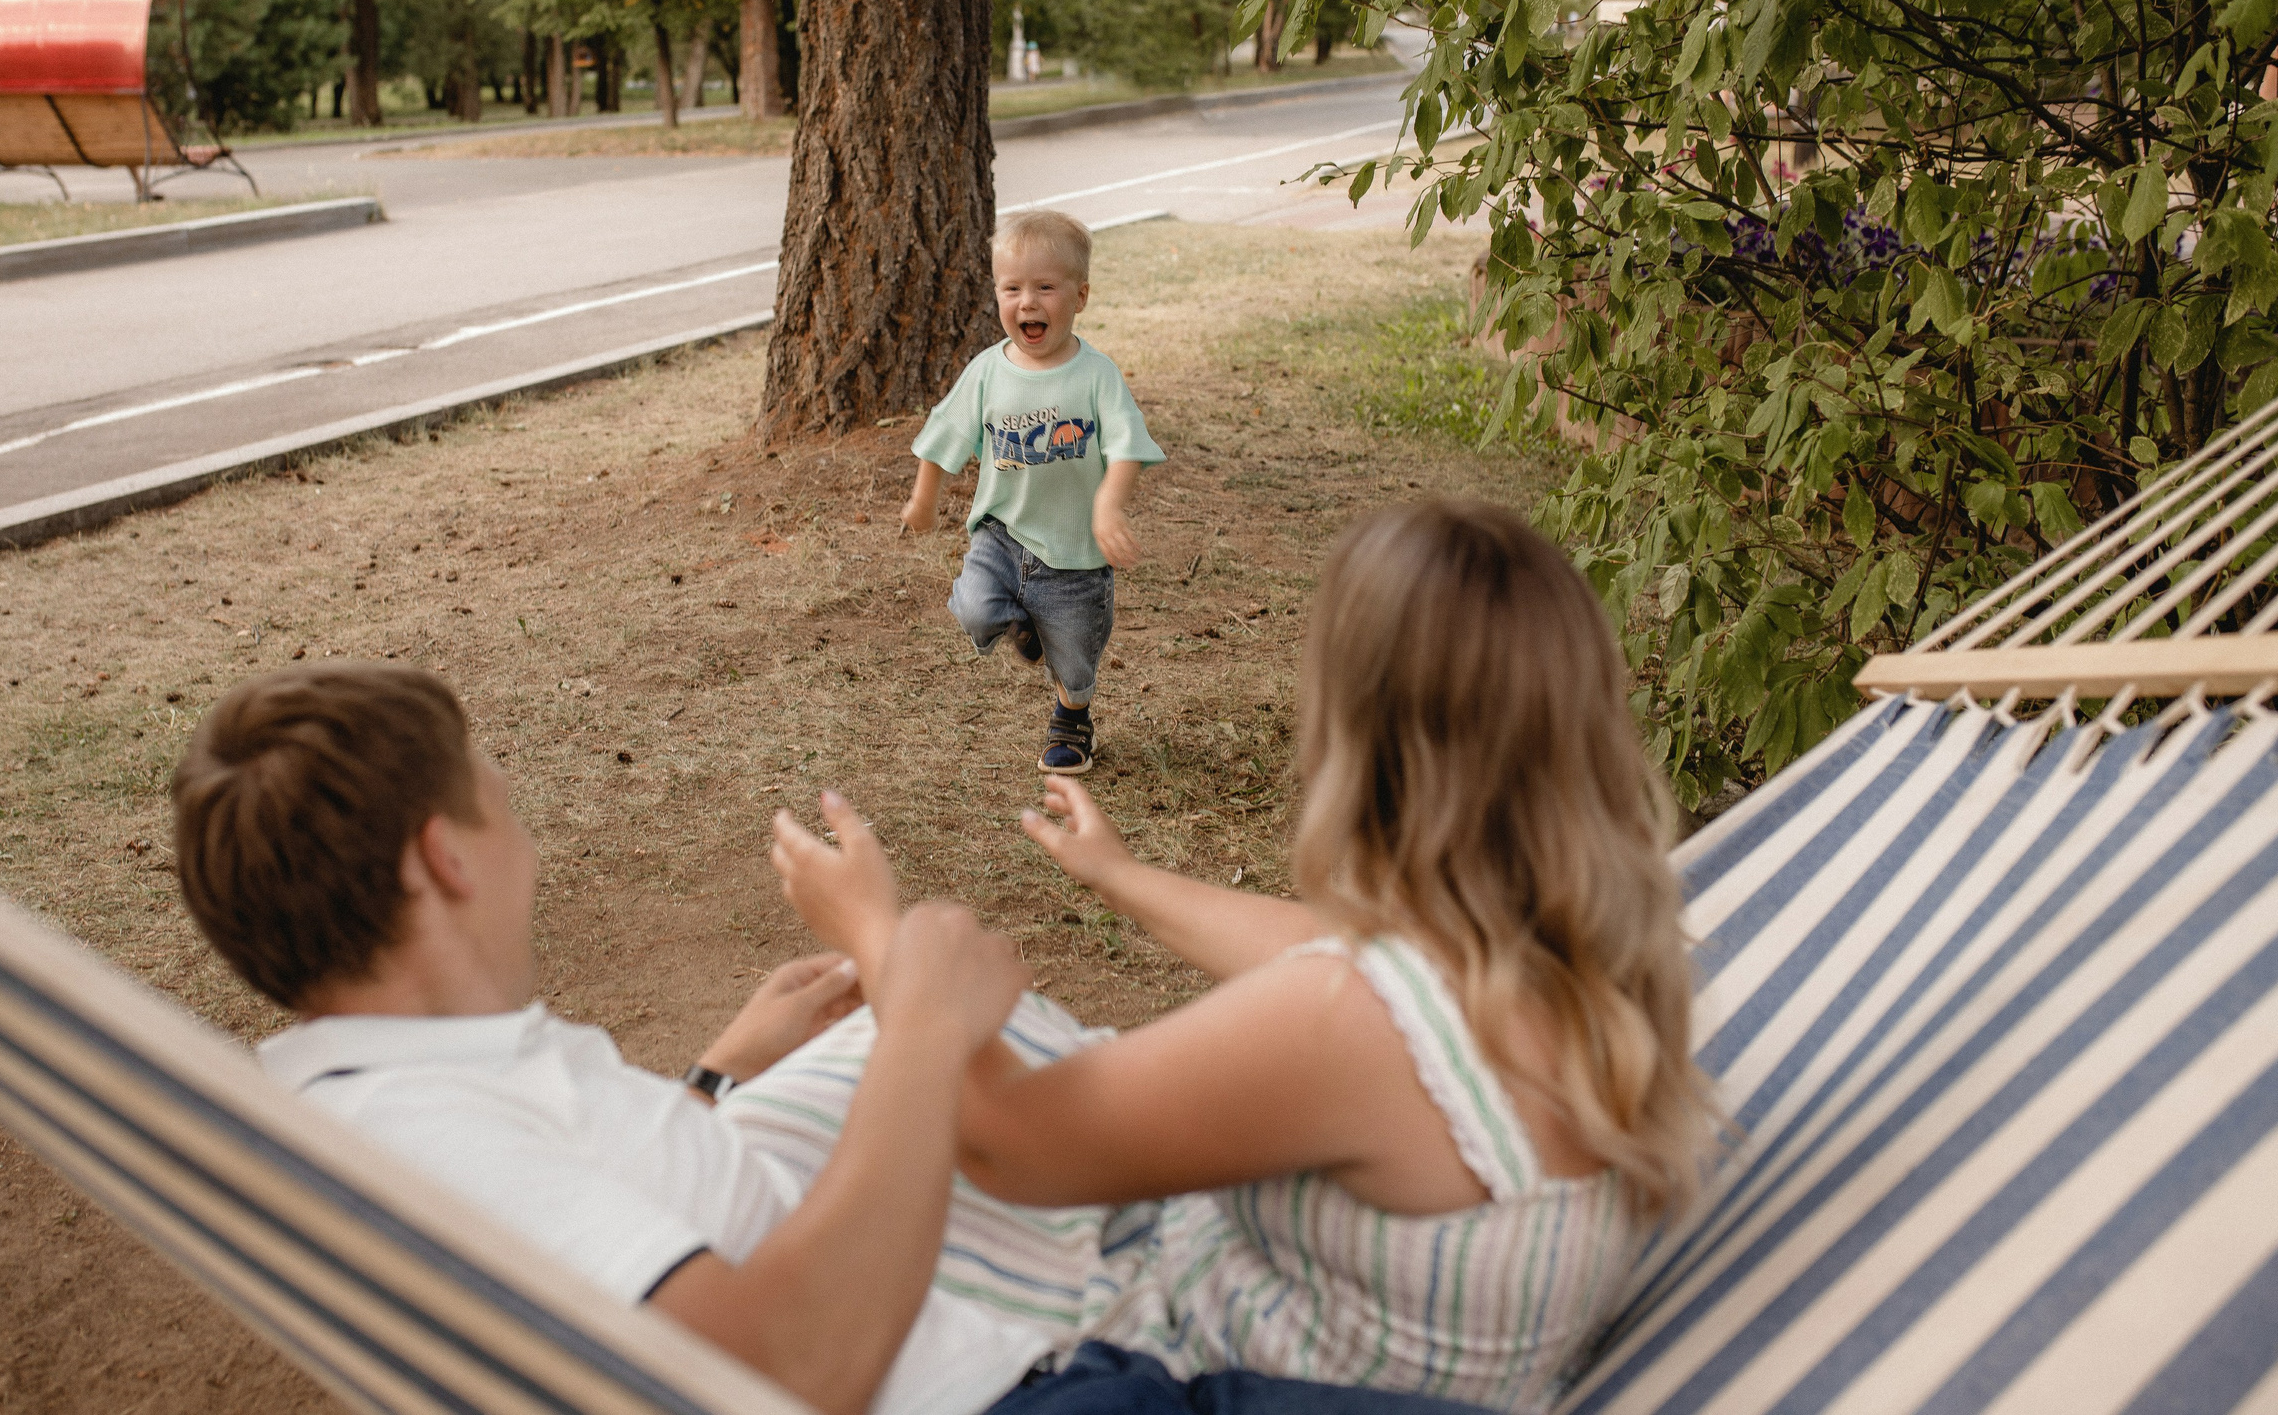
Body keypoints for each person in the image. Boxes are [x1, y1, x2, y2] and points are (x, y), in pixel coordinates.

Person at [769, 501, 1718, 1412]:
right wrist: (1121, 876)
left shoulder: (1355, 1026)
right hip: (1352, 1345)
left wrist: (876, 936)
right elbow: (1337, 955)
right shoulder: (1598, 959)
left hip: (1160, 1360)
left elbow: (1002, 1143)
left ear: (1362, 730)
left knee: (816, 1134)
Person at [168, 662, 1052, 1415]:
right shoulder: (429, 1146)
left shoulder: (375, 1096)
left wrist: (720, 1070)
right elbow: (783, 1373)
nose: (530, 849)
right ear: (446, 858)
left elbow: (581, 1218)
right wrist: (924, 1031)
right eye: (503, 809)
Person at [901, 208, 1165, 776]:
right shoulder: (986, 373)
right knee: (974, 609)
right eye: (1012, 288)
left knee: (1075, 658)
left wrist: (1108, 504)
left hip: (1076, 556)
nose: (1028, 302)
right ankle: (1020, 625)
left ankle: (1072, 718)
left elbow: (1126, 446)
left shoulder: (1096, 376)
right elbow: (941, 435)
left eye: (1046, 287)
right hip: (1003, 535)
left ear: (1080, 295)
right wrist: (923, 503)